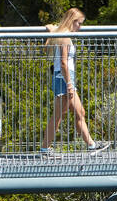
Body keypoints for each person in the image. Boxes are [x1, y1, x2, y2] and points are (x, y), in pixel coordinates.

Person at [41, 8, 109, 154]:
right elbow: (64, 63)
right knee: (58, 116)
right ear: (72, 21)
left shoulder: (62, 34)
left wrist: (52, 29)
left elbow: (52, 32)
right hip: (64, 80)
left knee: (80, 112)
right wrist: (70, 84)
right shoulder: (64, 37)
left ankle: (91, 145)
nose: (80, 27)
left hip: (66, 79)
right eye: (79, 23)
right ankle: (45, 148)